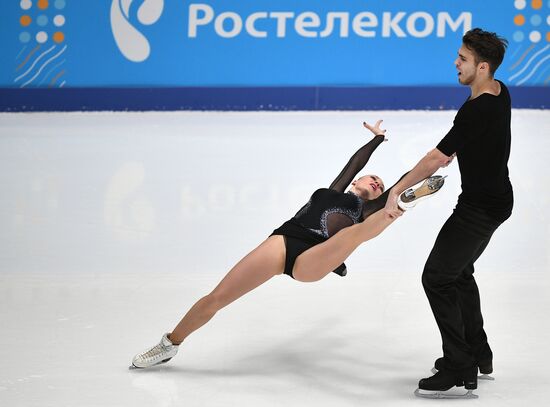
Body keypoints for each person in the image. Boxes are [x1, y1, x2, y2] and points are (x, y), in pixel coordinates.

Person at [130, 120, 446, 369]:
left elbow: (409, 173)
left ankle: (401, 206)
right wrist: (376, 139)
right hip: (285, 242)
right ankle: (169, 344)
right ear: (355, 182)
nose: (375, 182)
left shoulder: (367, 209)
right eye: (372, 178)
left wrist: (437, 162)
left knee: (356, 233)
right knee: (217, 297)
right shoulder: (334, 189)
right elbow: (355, 162)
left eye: (380, 185)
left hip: (316, 259)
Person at [384, 28, 513, 399]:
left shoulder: (477, 109)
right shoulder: (499, 91)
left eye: (463, 59)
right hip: (494, 201)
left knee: (437, 278)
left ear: (483, 67)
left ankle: (459, 365)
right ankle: (478, 352)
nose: (455, 63)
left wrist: (396, 190)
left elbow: (435, 158)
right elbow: (473, 140)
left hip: (480, 208)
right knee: (457, 273)